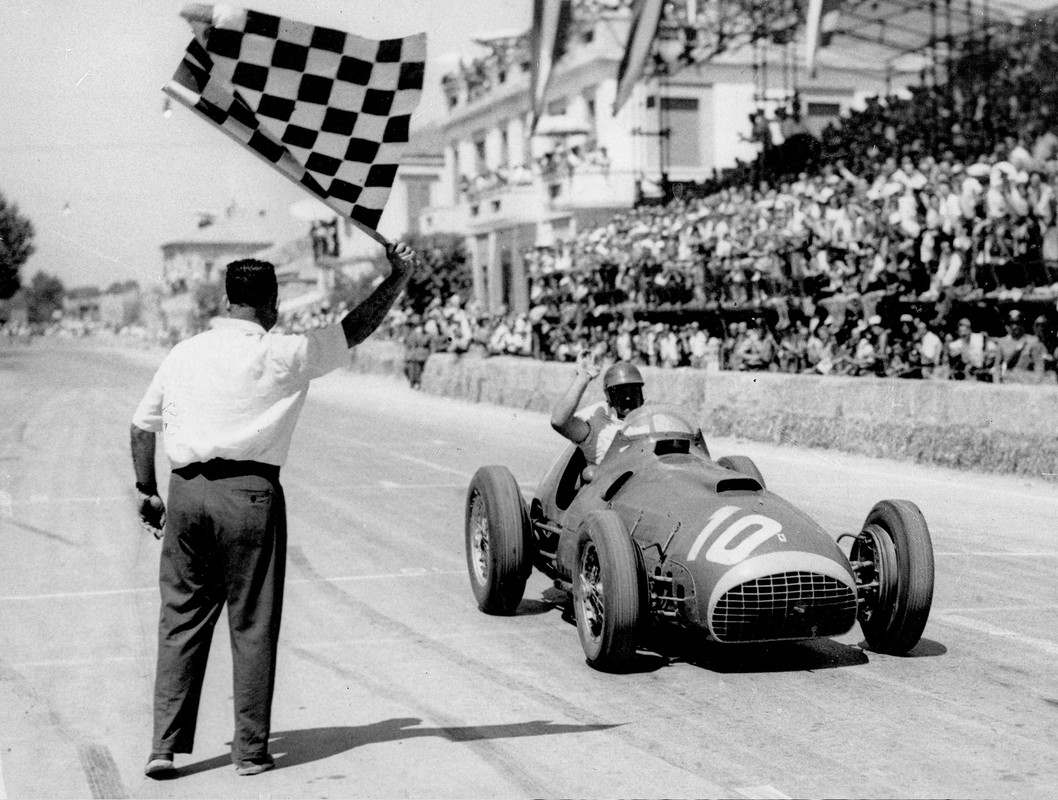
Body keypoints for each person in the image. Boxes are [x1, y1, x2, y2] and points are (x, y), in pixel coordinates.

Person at [130, 242, 417, 778]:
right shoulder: (280, 352)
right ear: (273, 303)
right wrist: (397, 277)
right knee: (253, 623)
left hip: (187, 490)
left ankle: (162, 748)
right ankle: (251, 752)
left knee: (180, 621)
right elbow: (354, 329)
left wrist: (147, 490)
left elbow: (142, 425)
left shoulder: (184, 352)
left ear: (224, 300)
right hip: (250, 496)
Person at [550, 354, 645, 465]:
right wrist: (583, 377)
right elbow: (559, 421)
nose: (628, 398)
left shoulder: (652, 420)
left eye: (633, 391)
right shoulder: (597, 423)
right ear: (609, 395)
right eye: (621, 392)